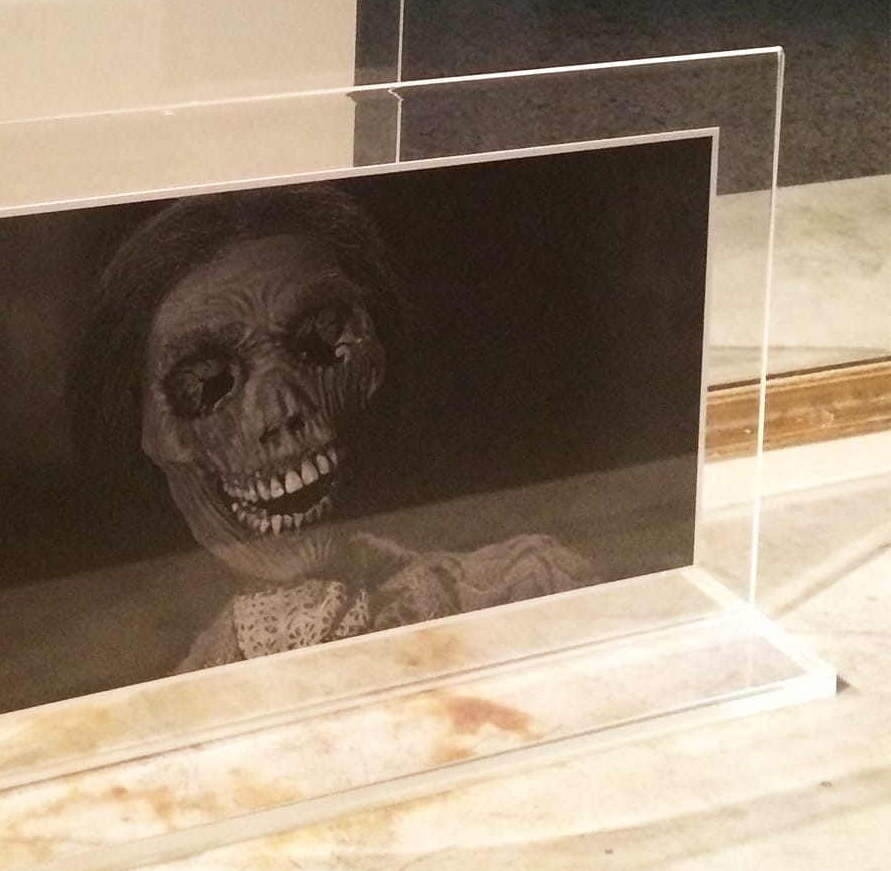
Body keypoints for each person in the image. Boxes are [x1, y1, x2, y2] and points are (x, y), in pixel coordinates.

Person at [73, 184, 594, 674]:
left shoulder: (529, 586)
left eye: (320, 340)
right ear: (149, 432)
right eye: (207, 383)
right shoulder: (168, 697)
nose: (283, 412)